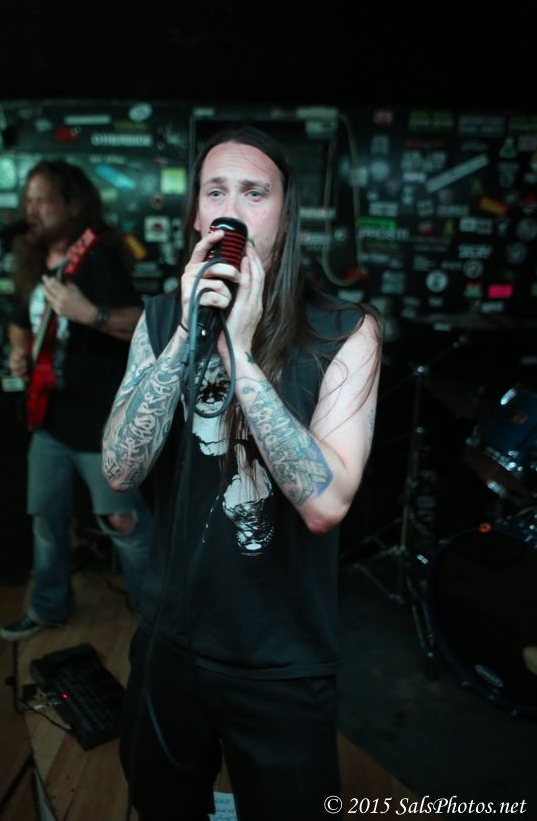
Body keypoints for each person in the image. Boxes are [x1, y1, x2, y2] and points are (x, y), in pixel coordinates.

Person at [102, 127, 382, 821]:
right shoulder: (160, 321)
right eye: (215, 192)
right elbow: (119, 467)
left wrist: (241, 354)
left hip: (281, 658)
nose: (231, 211)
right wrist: (184, 334)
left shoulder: (344, 331)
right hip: (171, 641)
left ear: (284, 214)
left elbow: (327, 503)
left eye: (254, 193)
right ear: (196, 215)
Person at [0, 159, 153, 642]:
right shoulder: (30, 261)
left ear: (72, 205)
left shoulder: (96, 257)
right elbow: (19, 324)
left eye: (43, 200)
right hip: (48, 421)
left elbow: (143, 324)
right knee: (46, 521)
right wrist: (19, 354)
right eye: (28, 200)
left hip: (101, 424)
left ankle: (157, 616)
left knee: (124, 522)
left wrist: (90, 314)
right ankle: (48, 607)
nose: (32, 209)